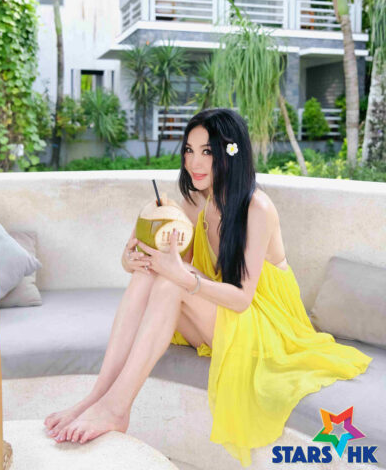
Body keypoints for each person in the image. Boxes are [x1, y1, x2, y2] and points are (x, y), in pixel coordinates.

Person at [44, 108, 372, 467]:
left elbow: (242, 299)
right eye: (189, 150)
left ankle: (117, 408)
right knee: (149, 274)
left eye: (207, 151)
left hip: (264, 330)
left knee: (173, 284)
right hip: (218, 323)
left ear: (231, 153)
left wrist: (180, 275)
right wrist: (132, 260)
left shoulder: (257, 208)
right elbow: (169, 264)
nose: (194, 162)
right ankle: (96, 397)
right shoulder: (196, 201)